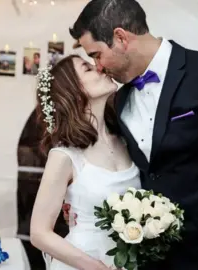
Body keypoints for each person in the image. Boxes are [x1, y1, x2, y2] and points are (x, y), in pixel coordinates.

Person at [63, 0, 198, 269]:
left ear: (120, 38)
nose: (97, 66)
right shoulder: (119, 101)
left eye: (96, 54)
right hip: (152, 261)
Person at [29, 55, 142, 270]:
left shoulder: (126, 140)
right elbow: (39, 233)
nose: (100, 68)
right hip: (81, 263)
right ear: (74, 91)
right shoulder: (64, 155)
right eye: (88, 69)